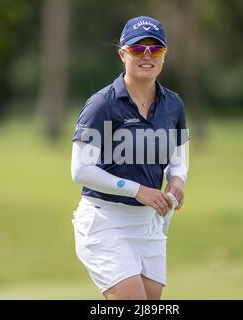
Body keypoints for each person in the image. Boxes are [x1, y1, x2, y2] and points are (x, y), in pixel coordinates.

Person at [71, 16, 189, 300]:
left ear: (164, 55)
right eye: (138, 49)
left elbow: (179, 155)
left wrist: (177, 179)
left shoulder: (173, 104)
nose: (147, 56)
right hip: (105, 221)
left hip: (150, 223)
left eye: (155, 49)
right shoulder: (102, 104)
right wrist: (139, 191)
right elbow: (81, 171)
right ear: (123, 54)